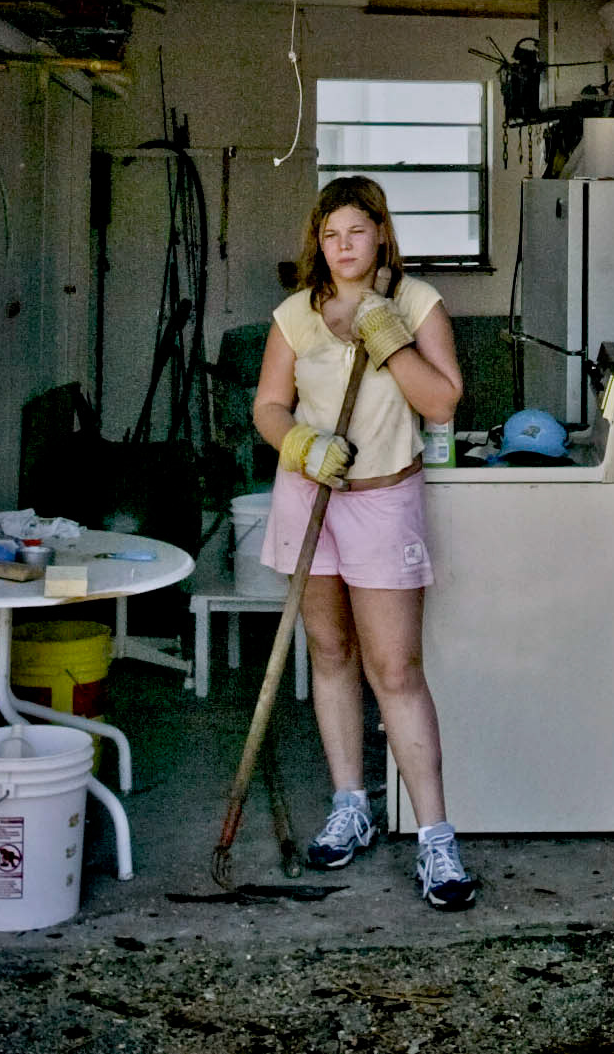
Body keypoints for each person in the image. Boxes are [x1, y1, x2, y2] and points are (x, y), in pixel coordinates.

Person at [252, 173, 476, 909]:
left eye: (356, 230)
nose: (343, 245)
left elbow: (442, 399)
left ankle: (436, 838)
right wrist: (301, 444)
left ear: (380, 231)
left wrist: (387, 336)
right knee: (332, 654)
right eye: (330, 234)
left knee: (396, 669)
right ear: (319, 243)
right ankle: (351, 805)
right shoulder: (296, 315)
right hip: (313, 494)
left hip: (384, 501)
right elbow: (268, 407)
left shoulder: (417, 303)